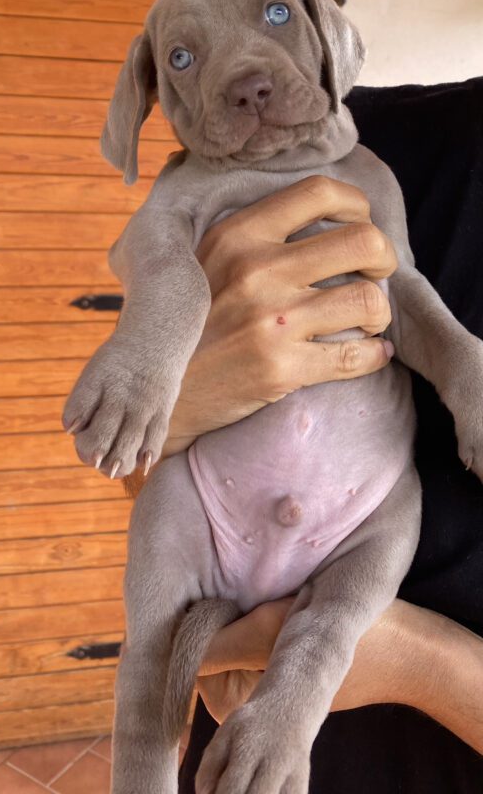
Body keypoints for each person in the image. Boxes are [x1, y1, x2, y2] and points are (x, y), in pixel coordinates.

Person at [128, 77, 483, 792]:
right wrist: (177, 403)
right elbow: (150, 467)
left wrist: (421, 663)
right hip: (246, 750)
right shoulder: (340, 131)